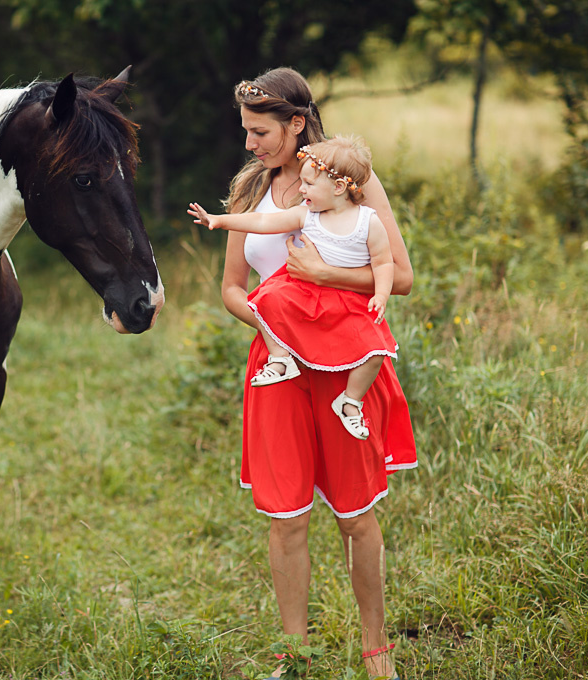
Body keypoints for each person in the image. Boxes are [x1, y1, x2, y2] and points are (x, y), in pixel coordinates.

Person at [214, 68, 417, 680]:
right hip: (277, 367)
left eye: (260, 132)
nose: (249, 144)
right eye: (245, 132)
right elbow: (230, 287)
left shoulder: (349, 180)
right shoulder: (248, 192)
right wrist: (269, 325)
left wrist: (326, 280)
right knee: (286, 517)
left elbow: (399, 277)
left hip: (343, 364)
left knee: (355, 514)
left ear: (297, 123)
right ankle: (293, 652)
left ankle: (375, 647)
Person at [189, 135, 402, 441]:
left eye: (309, 184)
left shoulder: (368, 222)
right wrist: (220, 220)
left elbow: (384, 264)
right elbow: (263, 220)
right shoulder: (306, 214)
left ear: (338, 188)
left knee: (376, 350)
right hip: (305, 295)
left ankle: (350, 401)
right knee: (268, 299)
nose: (301, 190)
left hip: (347, 304)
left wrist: (380, 295)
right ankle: (281, 359)